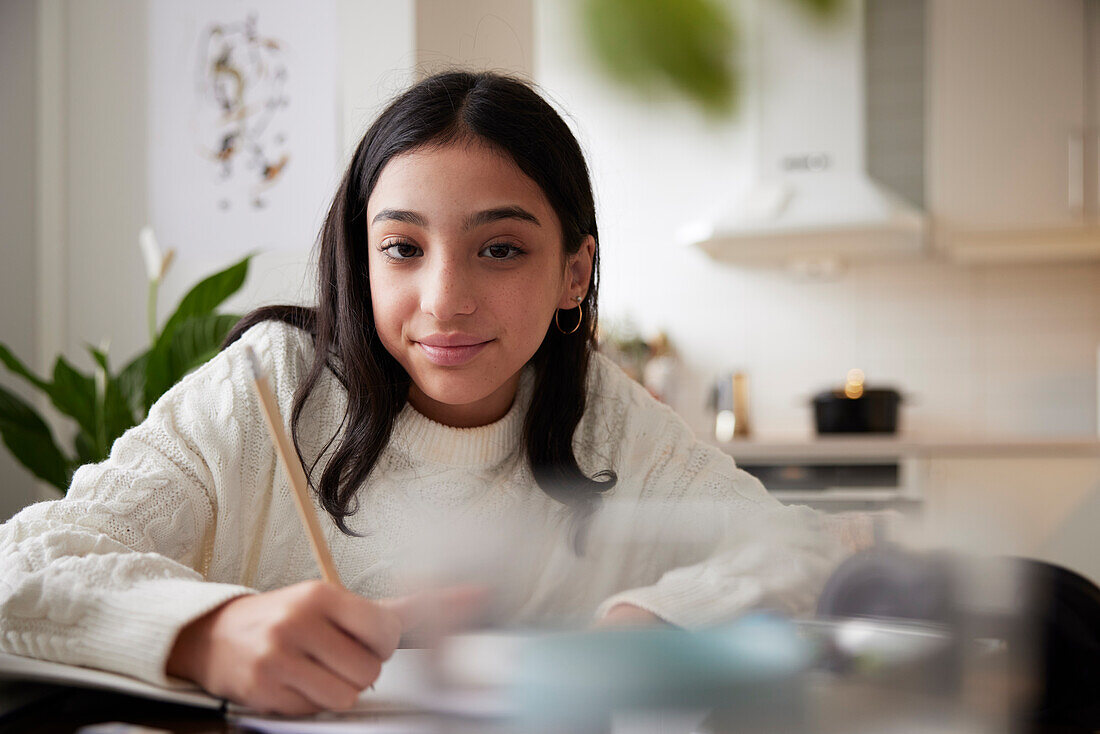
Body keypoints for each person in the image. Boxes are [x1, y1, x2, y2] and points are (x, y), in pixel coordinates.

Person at [0, 70, 861, 716]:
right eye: (403, 248)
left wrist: (651, 622)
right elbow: (23, 565)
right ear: (361, 260)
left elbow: (800, 544)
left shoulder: (606, 417)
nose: (445, 300)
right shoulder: (265, 386)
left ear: (575, 271)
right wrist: (207, 633)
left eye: (500, 250)